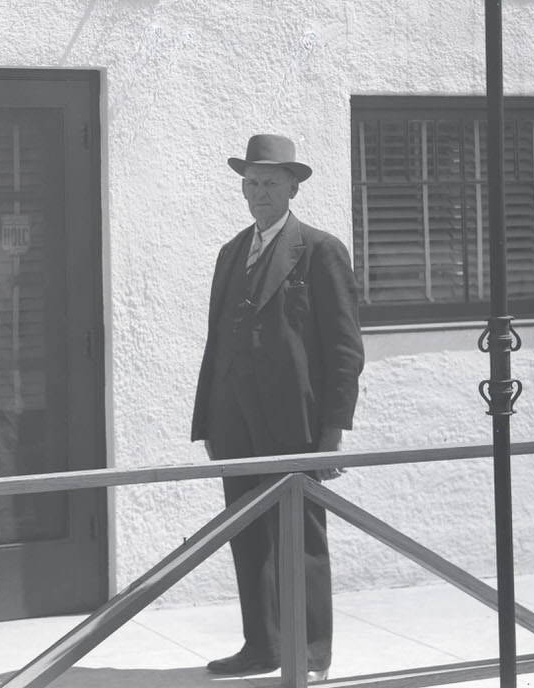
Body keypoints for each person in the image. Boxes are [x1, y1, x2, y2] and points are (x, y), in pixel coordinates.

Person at [191, 133, 364, 682]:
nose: (258, 191)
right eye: (250, 182)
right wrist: (209, 422)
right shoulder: (230, 252)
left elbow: (344, 349)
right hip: (234, 421)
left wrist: (332, 432)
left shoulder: (320, 250)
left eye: (269, 182)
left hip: (296, 423)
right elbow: (217, 341)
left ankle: (310, 653)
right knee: (248, 534)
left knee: (300, 537)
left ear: (292, 187)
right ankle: (261, 646)